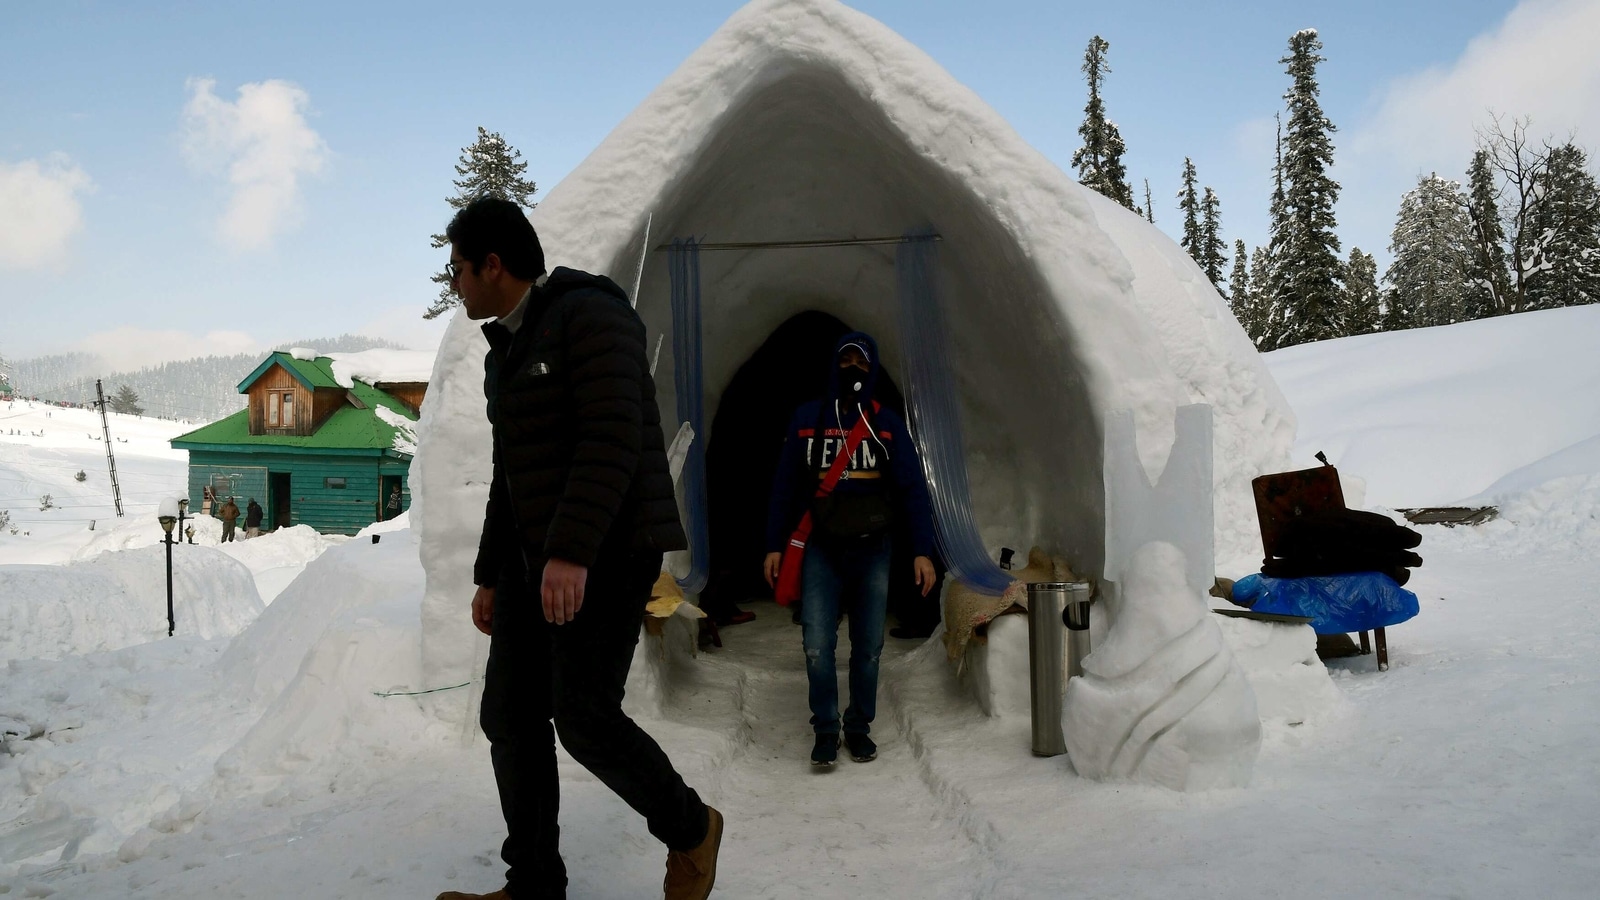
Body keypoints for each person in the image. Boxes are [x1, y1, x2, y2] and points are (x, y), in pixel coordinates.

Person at [438, 197, 722, 900]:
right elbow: (513, 475)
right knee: (509, 715)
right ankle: (533, 882)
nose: (456, 286)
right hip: (534, 558)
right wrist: (490, 574)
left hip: (611, 550)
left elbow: (613, 438)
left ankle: (692, 829)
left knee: (585, 718)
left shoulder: (592, 315)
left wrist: (569, 552)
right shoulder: (504, 352)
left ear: (493, 266)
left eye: (459, 270)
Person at [763, 333, 937, 767]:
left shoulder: (887, 424)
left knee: (869, 646)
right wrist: (773, 545)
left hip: (873, 549)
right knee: (817, 643)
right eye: (847, 360)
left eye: (862, 362)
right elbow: (784, 486)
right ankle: (825, 729)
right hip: (821, 549)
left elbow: (913, 489)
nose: (853, 369)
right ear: (833, 365)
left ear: (873, 367)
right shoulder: (807, 419)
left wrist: (922, 549)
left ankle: (858, 727)